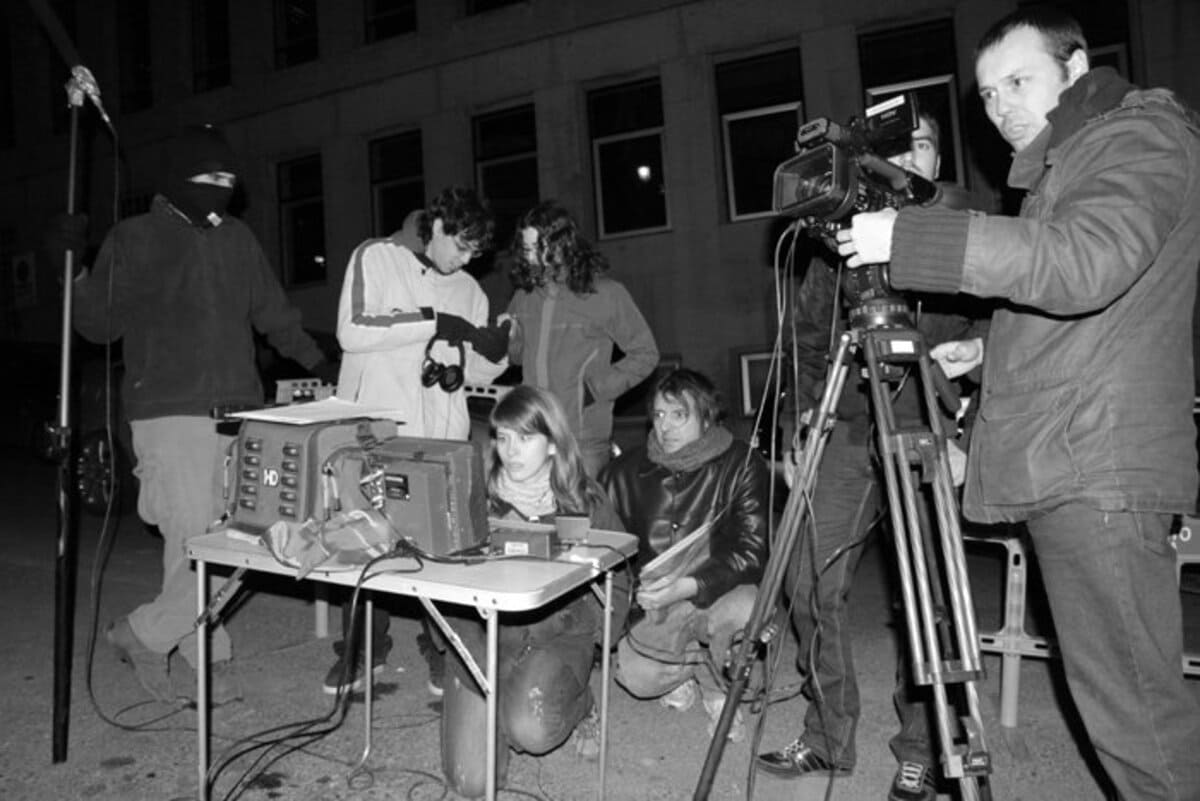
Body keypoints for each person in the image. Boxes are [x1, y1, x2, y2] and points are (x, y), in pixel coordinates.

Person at [837, 8, 1200, 800]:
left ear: (1076, 69)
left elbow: (1086, 261)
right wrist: (991, 351)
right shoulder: (1070, 161)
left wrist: (911, 238)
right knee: (1120, 707)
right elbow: (1098, 312)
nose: (1000, 106)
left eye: (1018, 81)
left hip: (1097, 465)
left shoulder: (1135, 137)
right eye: (988, 92)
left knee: (1139, 721)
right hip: (1077, 451)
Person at [65, 123, 338, 704]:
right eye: (208, 178)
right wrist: (76, 269)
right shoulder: (135, 238)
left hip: (238, 410)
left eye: (228, 180)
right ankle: (148, 634)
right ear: (179, 177)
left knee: (229, 535)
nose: (221, 189)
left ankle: (189, 638)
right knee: (193, 533)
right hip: (170, 411)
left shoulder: (238, 239)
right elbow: (98, 324)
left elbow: (274, 315)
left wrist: (323, 361)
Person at [755, 112, 986, 801]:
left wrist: (971, 420)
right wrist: (800, 419)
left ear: (938, 157)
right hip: (850, 428)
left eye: (917, 147)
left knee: (928, 594)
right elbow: (807, 332)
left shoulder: (967, 225)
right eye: (892, 150)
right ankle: (829, 735)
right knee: (806, 576)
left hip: (928, 424)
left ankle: (924, 745)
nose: (904, 161)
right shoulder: (844, 240)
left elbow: (1005, 325)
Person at [327, 186, 510, 696]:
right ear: (436, 227)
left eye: (476, 252)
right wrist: (434, 323)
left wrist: (496, 351)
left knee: (441, 549)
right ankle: (362, 651)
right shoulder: (377, 257)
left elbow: (473, 367)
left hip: (439, 435)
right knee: (364, 546)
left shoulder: (470, 289)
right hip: (378, 431)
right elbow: (353, 331)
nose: (467, 259)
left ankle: (441, 650)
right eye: (460, 245)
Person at [439, 385, 628, 798]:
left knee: (530, 730)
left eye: (526, 438)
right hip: (481, 636)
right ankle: (501, 702)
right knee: (470, 783)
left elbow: (621, 574)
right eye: (503, 438)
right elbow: (438, 579)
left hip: (556, 637)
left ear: (554, 445)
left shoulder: (584, 500)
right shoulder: (474, 498)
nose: (512, 450)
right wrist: (458, 648)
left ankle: (581, 705)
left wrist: (598, 633)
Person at [601, 368, 770, 742]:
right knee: (635, 677)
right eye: (659, 415)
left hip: (722, 592)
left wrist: (689, 585)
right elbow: (604, 549)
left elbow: (753, 551)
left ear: (707, 417)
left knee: (746, 611)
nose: (666, 426)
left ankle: (716, 688)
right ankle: (686, 669)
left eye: (679, 415)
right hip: (659, 603)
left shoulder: (741, 464)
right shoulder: (622, 473)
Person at [505, 200, 659, 477]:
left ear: (562, 245)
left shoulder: (606, 294)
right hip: (533, 435)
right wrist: (508, 336)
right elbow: (517, 357)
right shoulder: (523, 297)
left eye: (536, 249)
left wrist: (595, 389)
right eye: (526, 249)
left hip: (584, 439)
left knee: (583, 519)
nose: (529, 258)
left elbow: (646, 353)